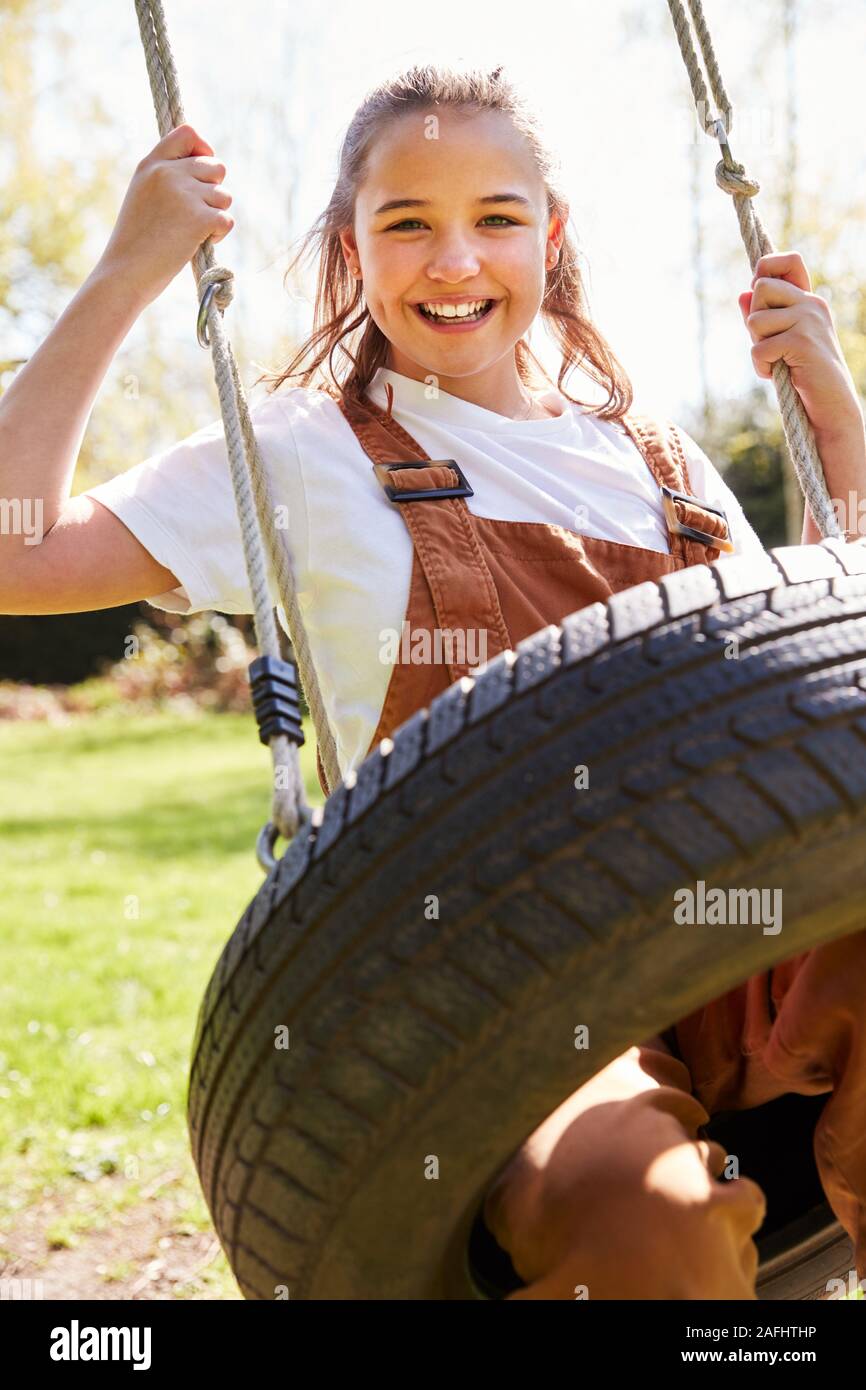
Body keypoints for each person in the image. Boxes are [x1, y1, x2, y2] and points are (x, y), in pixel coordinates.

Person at [2, 64, 866, 1300]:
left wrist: (839, 432)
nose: (453, 260)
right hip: (501, 977)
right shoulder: (301, 451)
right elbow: (10, 545)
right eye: (405, 223)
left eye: (495, 219)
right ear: (351, 251)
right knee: (638, 1216)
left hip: (738, 932)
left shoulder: (658, 459)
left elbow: (819, 683)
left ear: (548, 237)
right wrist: (128, 270)